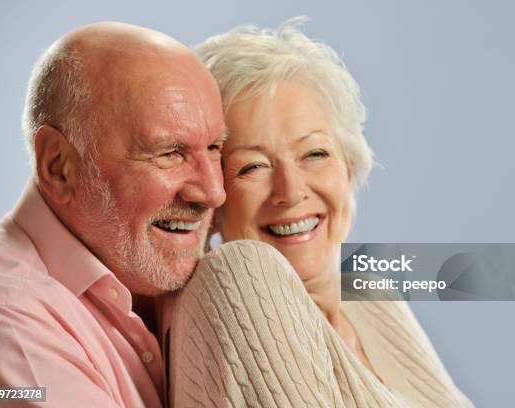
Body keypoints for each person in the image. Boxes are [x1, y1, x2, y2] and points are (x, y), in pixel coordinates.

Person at [170, 21, 473, 407]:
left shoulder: (369, 298)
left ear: (348, 166)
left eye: (315, 154)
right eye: (252, 167)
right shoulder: (237, 276)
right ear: (214, 198)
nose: (291, 192)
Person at [0, 22, 227, 407]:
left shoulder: (164, 263)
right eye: (169, 153)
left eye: (215, 148)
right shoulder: (4, 321)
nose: (214, 192)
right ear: (60, 165)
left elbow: (343, 278)